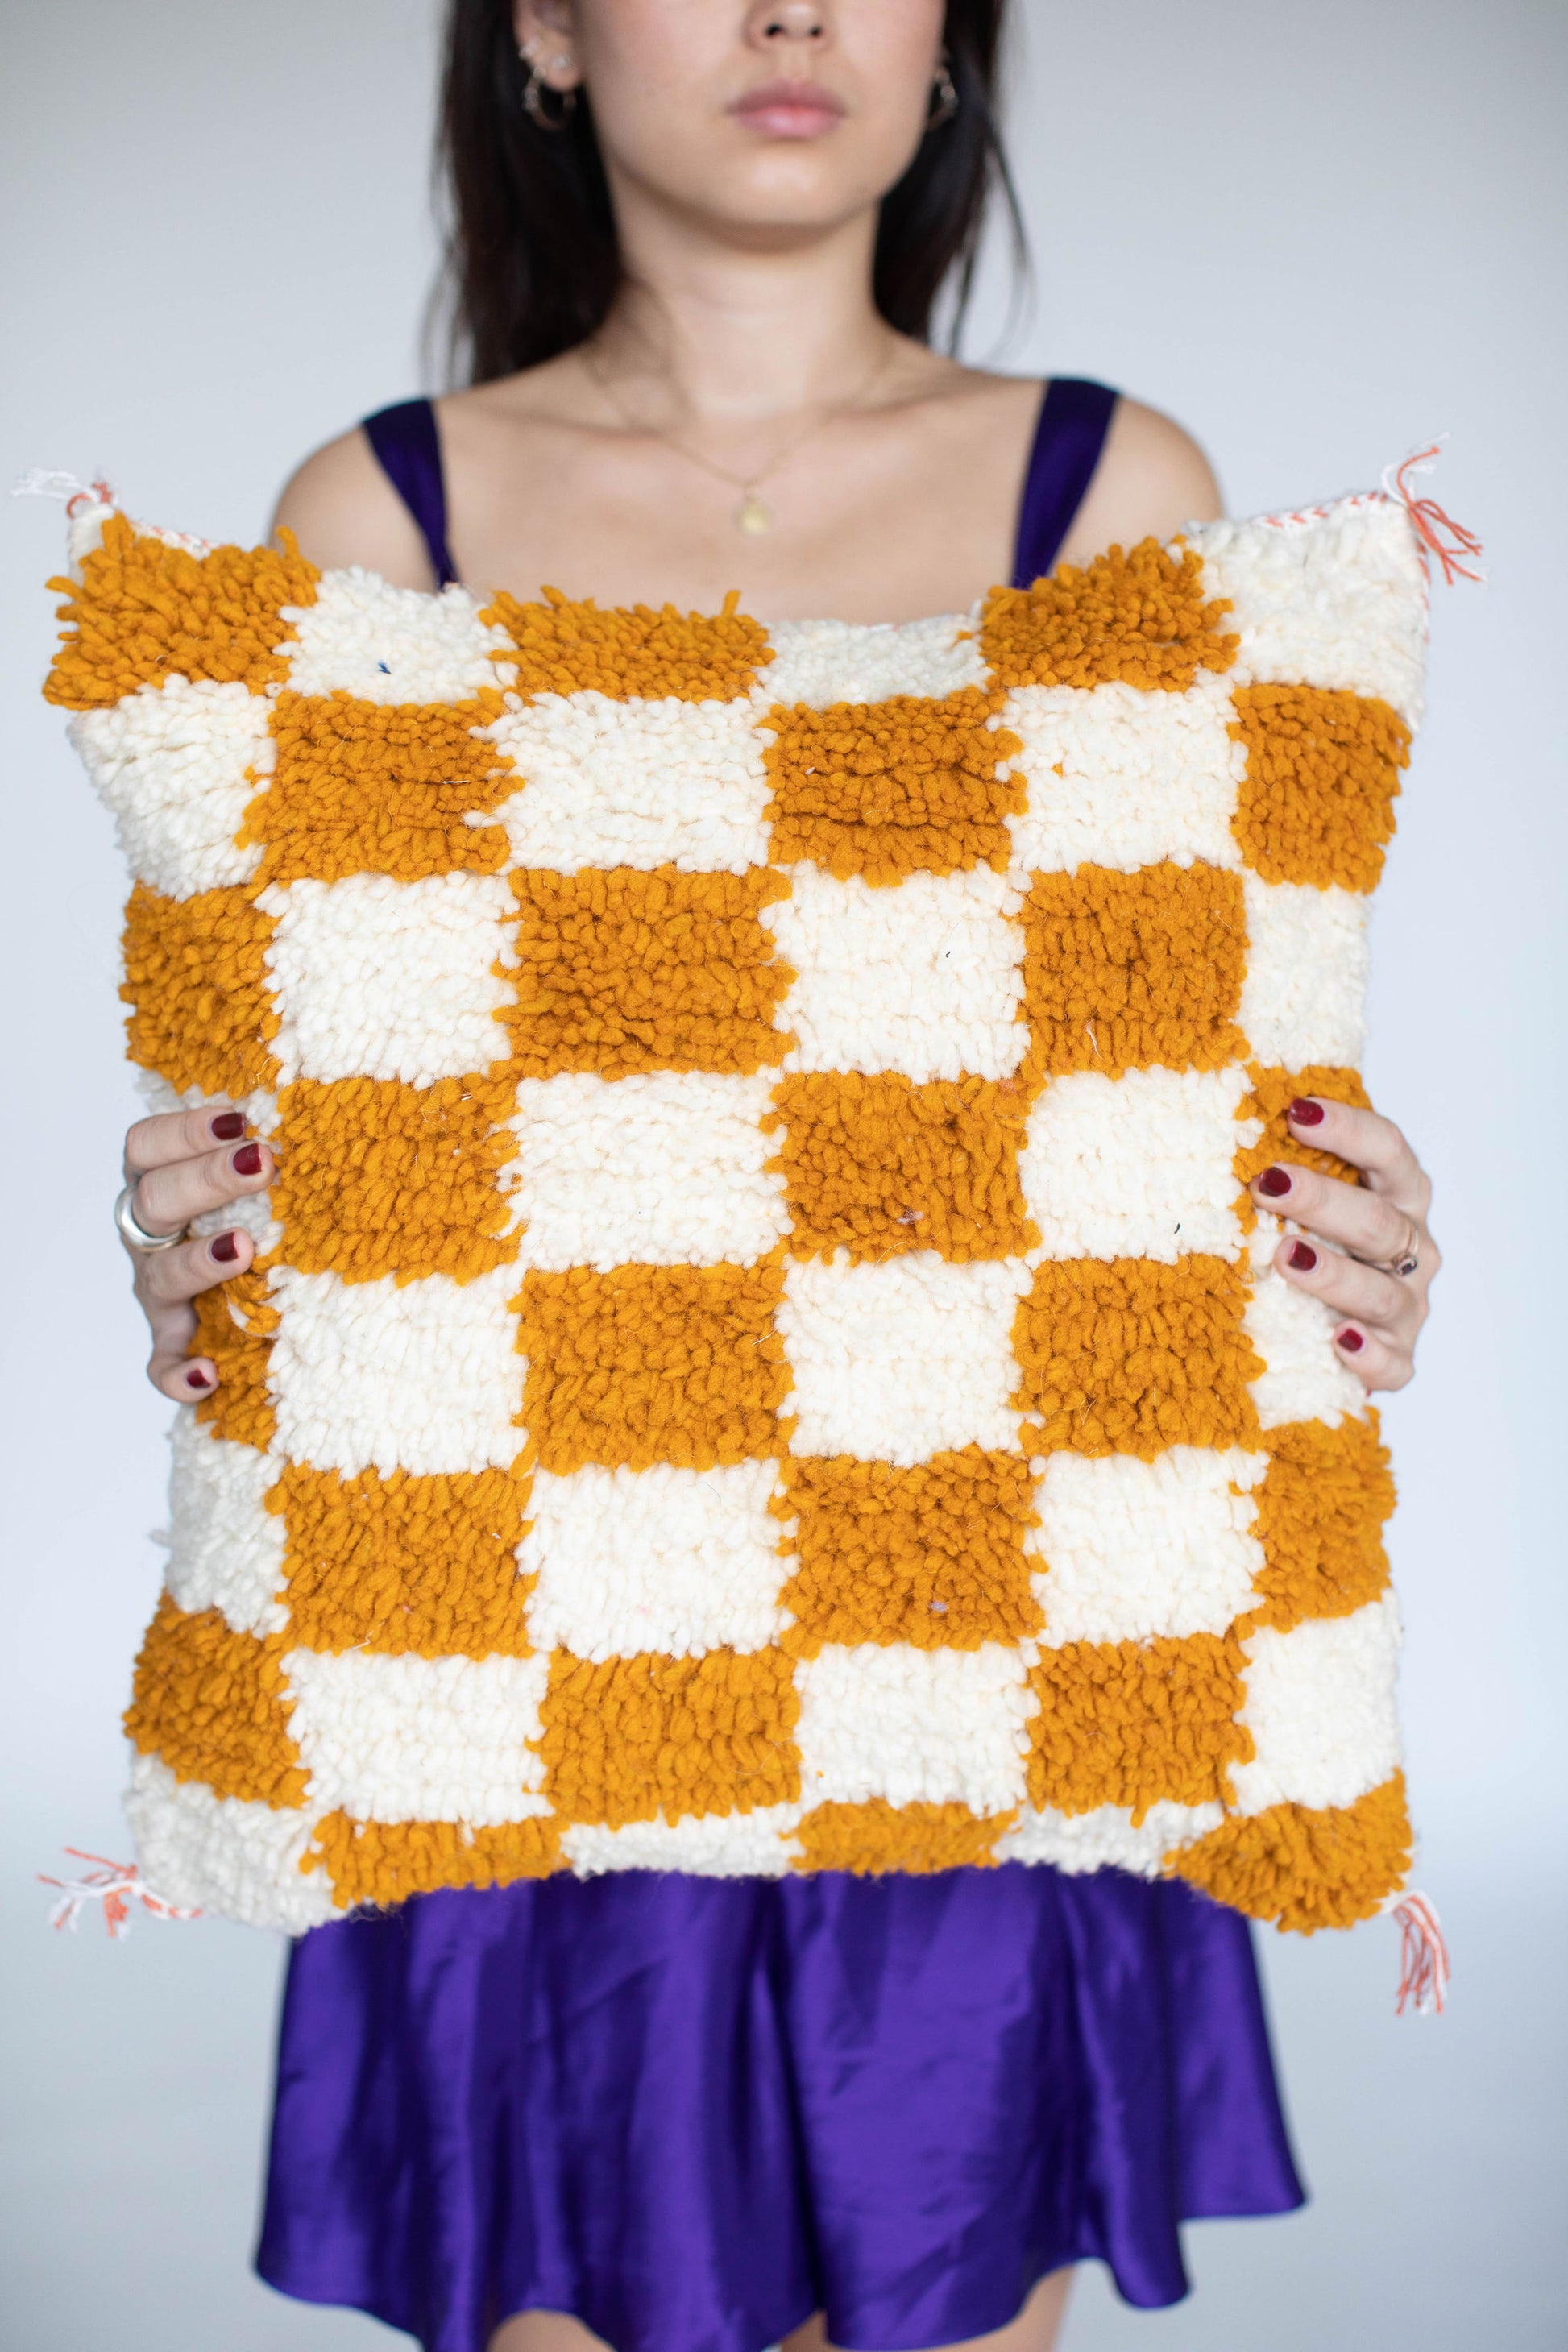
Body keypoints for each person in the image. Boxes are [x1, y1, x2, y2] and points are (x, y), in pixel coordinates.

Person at [112, 5, 1440, 2349]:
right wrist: (216, 1258)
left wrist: (1326, 1237)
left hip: (991, 1656)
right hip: (515, 1682)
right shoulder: (376, 523)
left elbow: (1165, 1073)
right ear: (545, 28)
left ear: (950, 49)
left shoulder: (1114, 493)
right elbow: (333, 1128)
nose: (794, 10)